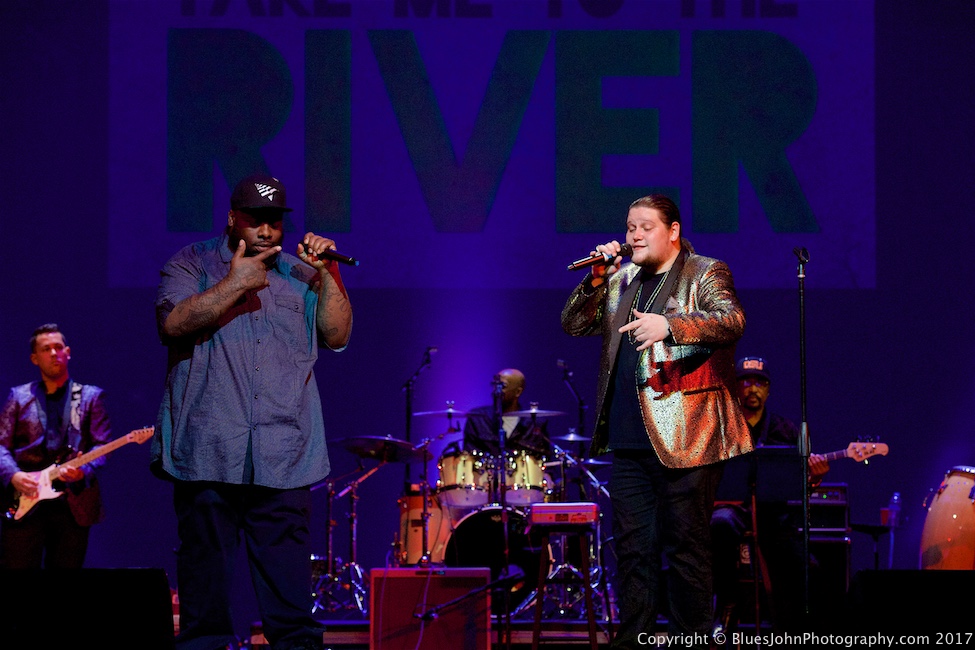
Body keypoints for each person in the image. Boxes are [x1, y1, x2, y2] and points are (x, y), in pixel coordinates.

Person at [153, 173, 353, 650]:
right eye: (254, 220)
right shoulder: (192, 263)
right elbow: (173, 324)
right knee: (205, 613)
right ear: (231, 218)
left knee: (292, 616)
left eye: (274, 221)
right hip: (208, 452)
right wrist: (234, 283)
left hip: (283, 454)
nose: (265, 230)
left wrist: (329, 273)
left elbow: (338, 335)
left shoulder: (301, 273)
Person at [560, 194, 753, 648]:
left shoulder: (705, 271)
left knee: (686, 551)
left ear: (673, 231)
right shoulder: (622, 276)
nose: (635, 235)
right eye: (630, 227)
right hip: (629, 439)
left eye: (646, 226)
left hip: (688, 436)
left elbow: (732, 321)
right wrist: (595, 278)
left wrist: (670, 326)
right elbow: (573, 324)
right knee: (633, 554)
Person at [710, 356, 829, 635]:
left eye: (760, 383)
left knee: (808, 566)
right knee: (720, 523)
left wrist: (816, 476)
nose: (753, 388)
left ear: (768, 389)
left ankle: (797, 631)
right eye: (746, 381)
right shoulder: (719, 427)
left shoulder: (786, 430)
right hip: (733, 509)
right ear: (735, 386)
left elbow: (801, 487)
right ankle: (726, 603)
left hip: (774, 516)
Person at [0, 323, 112, 569]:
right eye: (46, 348)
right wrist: (14, 475)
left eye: (58, 347)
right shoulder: (18, 397)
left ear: (68, 352)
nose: (53, 353)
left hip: (72, 504)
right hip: (24, 500)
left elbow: (101, 446)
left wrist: (84, 470)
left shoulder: (90, 397)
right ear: (34, 358)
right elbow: (1, 446)